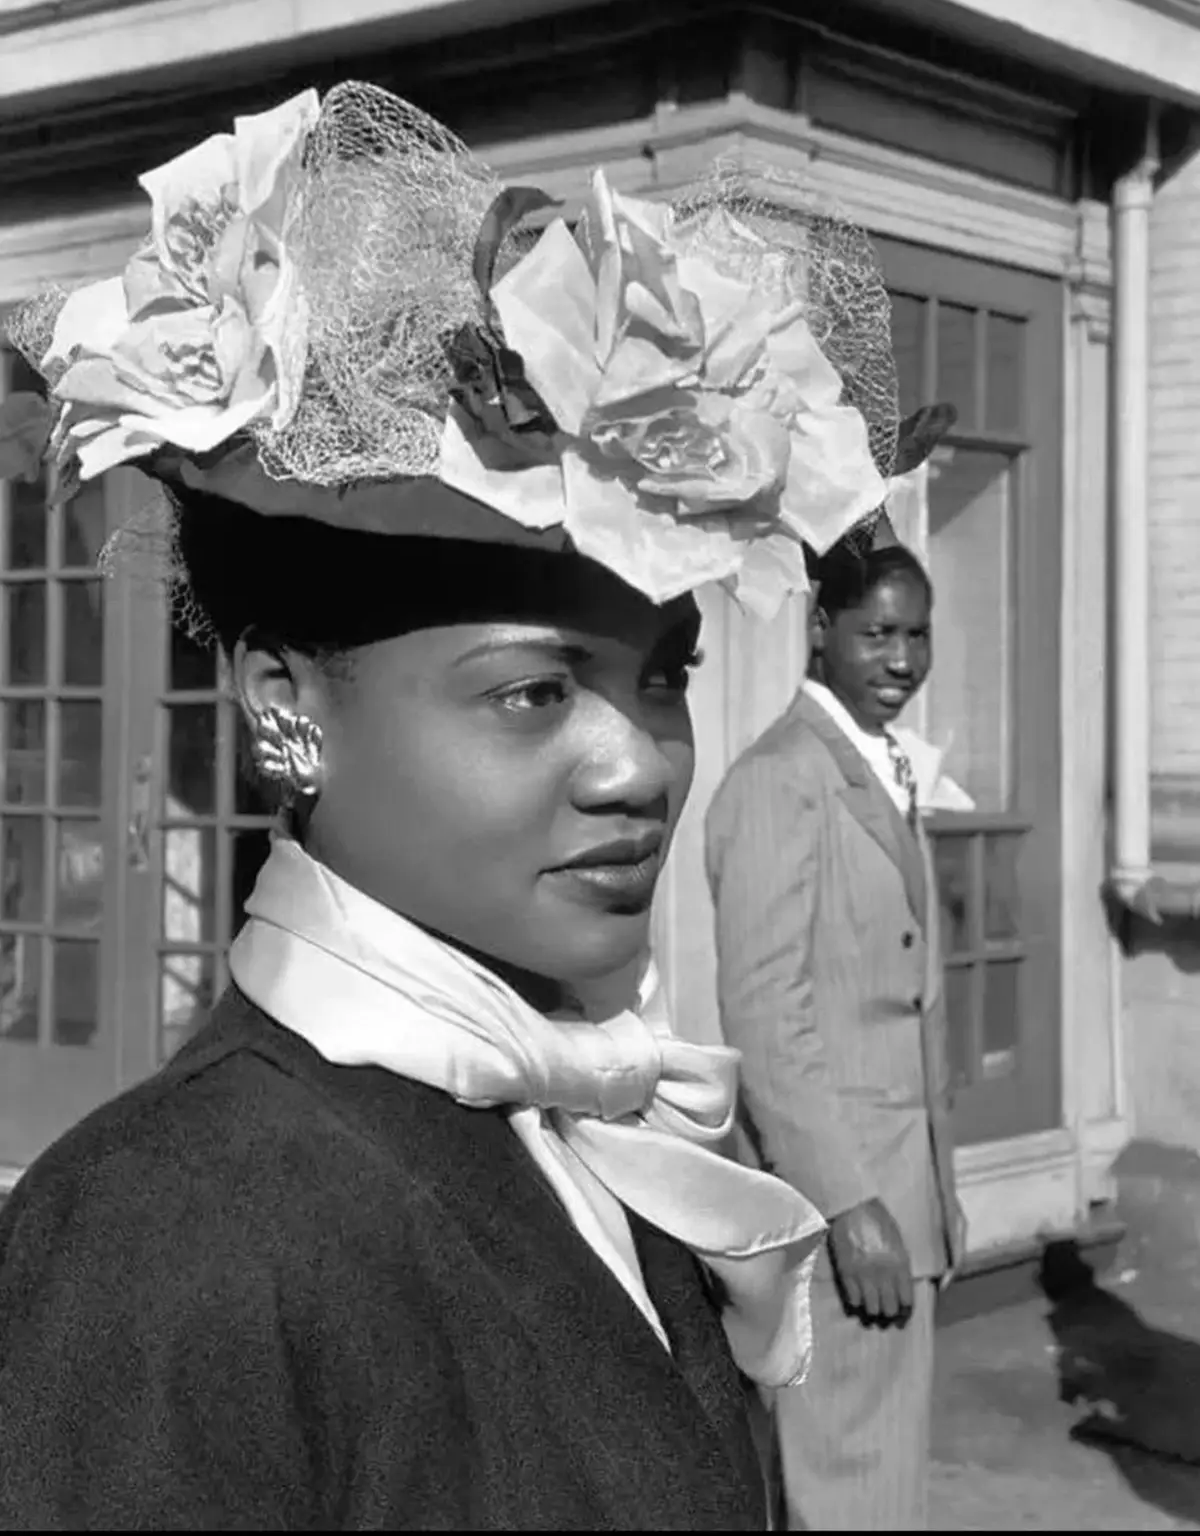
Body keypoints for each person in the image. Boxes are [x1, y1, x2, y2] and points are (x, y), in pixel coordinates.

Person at [0, 83, 899, 1530]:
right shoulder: (159, 1240)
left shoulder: (605, 1124)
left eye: (663, 677)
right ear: (285, 706)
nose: (639, 765)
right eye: (534, 692)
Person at [706, 540, 966, 1532]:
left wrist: (933, 1192)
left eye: (918, 635)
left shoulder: (872, 764)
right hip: (847, 1203)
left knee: (879, 1477)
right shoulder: (784, 778)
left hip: (904, 1193)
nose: (902, 660)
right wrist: (851, 1205)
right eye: (878, 633)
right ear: (820, 629)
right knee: (845, 1483)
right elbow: (766, 1012)